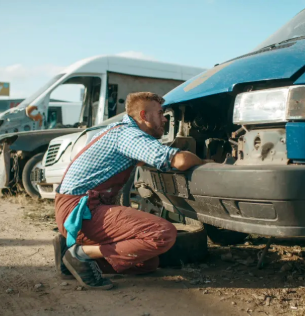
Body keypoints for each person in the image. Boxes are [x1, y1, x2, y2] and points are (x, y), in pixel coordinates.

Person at [53, 92, 203, 290]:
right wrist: (205, 163)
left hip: (80, 209)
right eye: (160, 113)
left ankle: (69, 259)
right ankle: (81, 254)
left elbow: (148, 159)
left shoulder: (118, 132)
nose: (164, 118)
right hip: (81, 211)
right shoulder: (127, 134)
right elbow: (180, 160)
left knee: (146, 263)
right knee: (163, 233)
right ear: (144, 116)